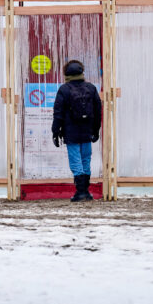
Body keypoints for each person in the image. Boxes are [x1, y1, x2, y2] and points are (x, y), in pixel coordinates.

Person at [52, 60, 102, 202]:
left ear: (66, 73)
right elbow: (98, 111)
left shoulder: (64, 89)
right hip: (87, 131)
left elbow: (58, 113)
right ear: (82, 72)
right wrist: (96, 129)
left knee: (75, 161)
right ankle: (86, 192)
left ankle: (80, 192)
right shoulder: (91, 88)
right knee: (86, 159)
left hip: (71, 132)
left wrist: (55, 132)